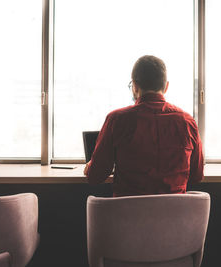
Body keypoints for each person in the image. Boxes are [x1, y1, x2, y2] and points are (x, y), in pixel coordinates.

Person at [84, 55, 204, 196]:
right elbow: (197, 175)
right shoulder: (187, 122)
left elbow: (95, 176)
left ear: (134, 86)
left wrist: (91, 166)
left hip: (128, 216)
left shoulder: (116, 120)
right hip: (176, 216)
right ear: (166, 87)